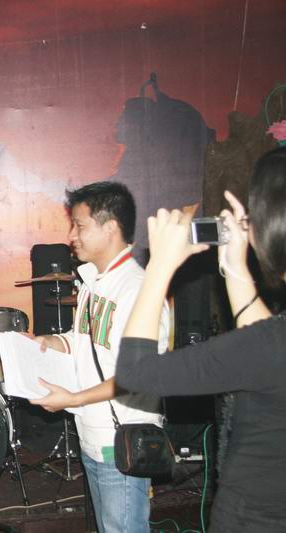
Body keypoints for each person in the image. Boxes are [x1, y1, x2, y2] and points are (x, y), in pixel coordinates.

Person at [117, 146, 286, 531]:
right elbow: (264, 347)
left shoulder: (271, 346)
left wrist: (159, 265)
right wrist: (235, 267)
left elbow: (136, 372)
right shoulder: (270, 345)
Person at [27, 181, 169, 533]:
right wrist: (49, 341)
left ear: (110, 228)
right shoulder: (93, 283)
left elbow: (142, 376)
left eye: (80, 225)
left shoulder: (136, 289)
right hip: (92, 434)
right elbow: (85, 342)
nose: (71, 235)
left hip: (119, 441)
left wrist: (73, 399)